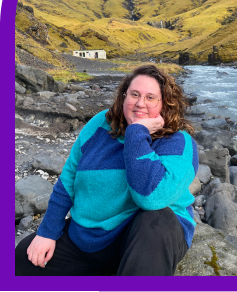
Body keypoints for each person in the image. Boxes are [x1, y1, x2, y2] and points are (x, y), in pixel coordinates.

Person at [15, 64, 198, 276]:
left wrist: (136, 133)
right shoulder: (101, 123)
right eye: (134, 94)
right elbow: (68, 180)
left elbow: (150, 198)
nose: (140, 103)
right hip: (87, 238)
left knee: (157, 220)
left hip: (141, 241)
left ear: (165, 103)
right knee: (24, 256)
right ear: (123, 96)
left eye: (151, 98)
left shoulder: (178, 141)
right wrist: (47, 232)